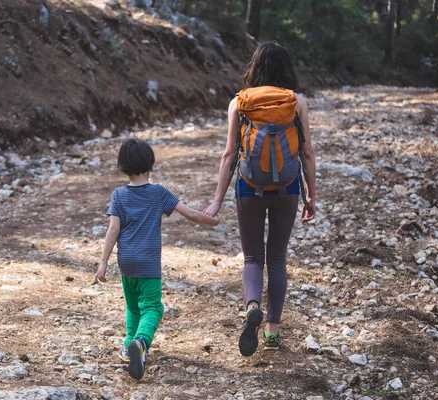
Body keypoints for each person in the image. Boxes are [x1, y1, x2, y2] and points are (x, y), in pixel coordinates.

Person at [204, 42, 317, 356]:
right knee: (277, 259)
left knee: (253, 258)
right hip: (288, 188)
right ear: (287, 69)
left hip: (248, 188)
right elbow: (306, 153)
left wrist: (216, 201)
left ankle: (252, 305)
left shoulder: (239, 103)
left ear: (255, 68)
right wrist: (311, 195)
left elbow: (229, 155)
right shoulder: (297, 102)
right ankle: (272, 333)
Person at [95, 138, 219, 380]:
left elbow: (112, 230)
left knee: (133, 307)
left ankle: (128, 345)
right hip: (148, 264)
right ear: (150, 164)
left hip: (126, 262)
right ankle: (141, 342)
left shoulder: (118, 195)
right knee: (153, 307)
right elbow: (190, 214)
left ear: (123, 166)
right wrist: (213, 220)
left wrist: (103, 262)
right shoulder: (159, 193)